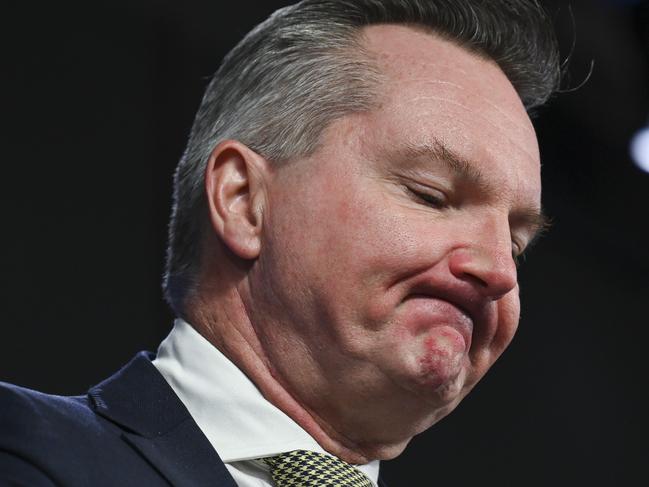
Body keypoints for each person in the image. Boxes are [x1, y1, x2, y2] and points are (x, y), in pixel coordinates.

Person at [0, 0, 561, 485]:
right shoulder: (22, 452)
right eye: (430, 194)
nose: (500, 273)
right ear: (244, 202)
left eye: (516, 245)